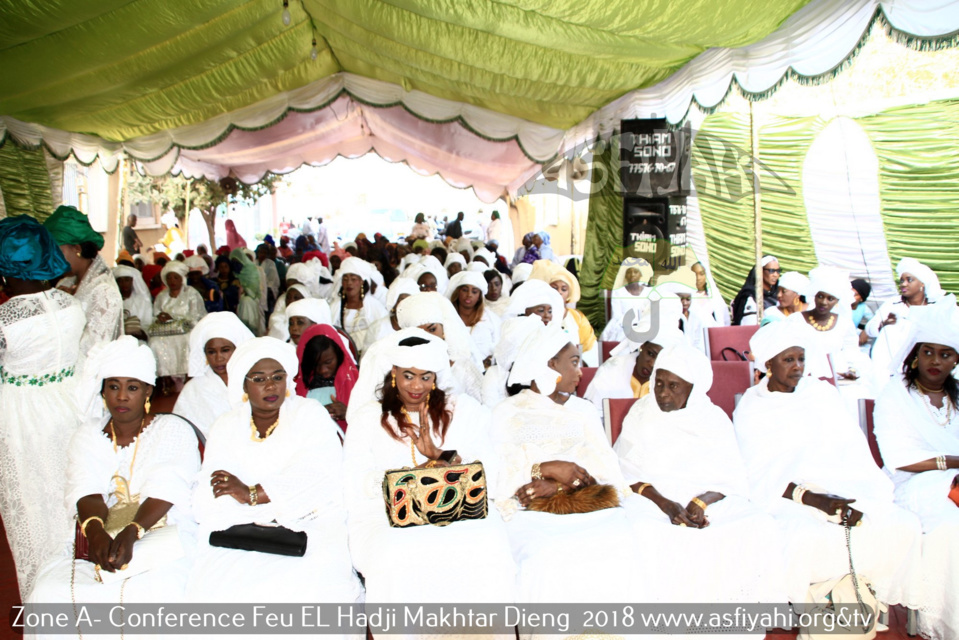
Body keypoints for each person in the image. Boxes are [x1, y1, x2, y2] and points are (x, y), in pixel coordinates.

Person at [733, 321, 923, 609]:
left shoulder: (821, 394)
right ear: (768, 363)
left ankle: (859, 597)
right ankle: (808, 603)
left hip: (843, 485)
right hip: (783, 496)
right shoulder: (753, 405)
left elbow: (852, 455)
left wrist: (844, 496)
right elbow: (755, 472)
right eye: (788, 360)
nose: (798, 367)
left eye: (801, 358)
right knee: (803, 536)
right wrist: (813, 498)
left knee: (901, 524)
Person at [342, 330, 516, 618]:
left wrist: (440, 456)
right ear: (394, 373)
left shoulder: (462, 410)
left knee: (488, 546)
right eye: (408, 375)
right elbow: (355, 479)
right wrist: (410, 478)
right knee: (393, 555)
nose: (416, 386)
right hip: (385, 513)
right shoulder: (368, 418)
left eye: (425, 377)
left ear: (436, 377)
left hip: (458, 508)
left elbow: (489, 468)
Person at [187, 338, 365, 617]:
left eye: (278, 377)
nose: (270, 386)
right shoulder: (226, 425)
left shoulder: (310, 414)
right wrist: (247, 505)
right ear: (243, 385)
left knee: (311, 588)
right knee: (216, 588)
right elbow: (215, 483)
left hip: (308, 521)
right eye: (259, 379)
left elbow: (318, 474)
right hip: (238, 527)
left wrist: (252, 494)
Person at [28, 337, 201, 612]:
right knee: (49, 593)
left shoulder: (172, 429)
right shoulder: (88, 434)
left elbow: (167, 489)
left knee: (158, 590)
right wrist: (96, 534)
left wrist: (132, 532)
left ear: (148, 391)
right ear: (103, 390)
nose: (121, 397)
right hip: (99, 531)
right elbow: (85, 488)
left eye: (132, 387)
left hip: (163, 528)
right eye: (113, 386)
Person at [615, 343, 785, 606]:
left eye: (674, 386)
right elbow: (625, 473)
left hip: (710, 499)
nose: (663, 393)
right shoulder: (641, 413)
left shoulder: (713, 418)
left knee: (758, 525)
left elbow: (732, 477)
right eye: (658, 383)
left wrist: (702, 501)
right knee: (643, 531)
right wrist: (667, 505)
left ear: (693, 388)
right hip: (653, 499)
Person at [491, 324, 640, 607]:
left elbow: (606, 467)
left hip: (590, 506)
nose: (580, 372)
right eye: (574, 363)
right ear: (550, 365)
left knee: (622, 542)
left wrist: (558, 485)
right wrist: (544, 468)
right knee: (547, 554)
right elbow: (500, 472)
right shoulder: (507, 411)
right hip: (530, 512)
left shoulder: (583, 410)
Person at [0, 216, 86, 599]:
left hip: (22, 420)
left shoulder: (6, 319)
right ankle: (79, 585)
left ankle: (44, 598)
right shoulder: (71, 305)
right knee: (71, 496)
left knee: (33, 506)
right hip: (68, 406)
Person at [874, 313, 959, 640]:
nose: (935, 361)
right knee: (951, 526)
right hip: (911, 483)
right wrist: (953, 461)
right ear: (915, 355)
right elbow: (897, 457)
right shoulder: (895, 393)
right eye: (928, 352)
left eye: (945, 354)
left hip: (952, 481)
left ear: (956, 361)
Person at [44, 205, 123, 367]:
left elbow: (93, 348)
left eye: (57, 252)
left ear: (77, 249)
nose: (53, 260)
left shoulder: (104, 291)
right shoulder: (65, 283)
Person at [173, 312, 254, 438]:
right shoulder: (194, 388)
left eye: (225, 350)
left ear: (237, 349)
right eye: (211, 352)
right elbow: (180, 429)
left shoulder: (254, 380)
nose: (218, 358)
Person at [395, 292, 485, 401]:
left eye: (432, 329)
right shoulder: (401, 367)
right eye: (419, 332)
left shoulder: (462, 367)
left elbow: (482, 405)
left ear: (443, 330)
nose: (428, 337)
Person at [866, 258, 946, 378]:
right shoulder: (892, 303)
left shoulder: (935, 307)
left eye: (909, 280)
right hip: (887, 365)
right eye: (902, 280)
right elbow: (869, 330)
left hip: (921, 364)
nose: (903, 284)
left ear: (922, 283)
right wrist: (883, 324)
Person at [528, 259, 597, 367]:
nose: (559, 292)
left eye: (563, 289)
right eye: (554, 288)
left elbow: (589, 348)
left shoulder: (577, 317)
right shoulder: (539, 315)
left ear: (569, 293)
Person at [295, 324, 358, 434]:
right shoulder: (295, 384)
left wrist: (349, 413)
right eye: (315, 364)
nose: (323, 370)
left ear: (339, 354)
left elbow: (372, 420)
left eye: (328, 362)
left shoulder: (358, 381)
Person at [150, 261, 207, 380]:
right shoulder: (162, 296)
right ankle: (165, 378)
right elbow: (155, 314)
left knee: (186, 340)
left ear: (182, 278)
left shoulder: (191, 293)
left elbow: (197, 316)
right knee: (154, 342)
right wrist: (160, 317)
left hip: (187, 329)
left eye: (176, 277)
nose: (172, 281)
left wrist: (174, 318)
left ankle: (188, 375)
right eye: (169, 278)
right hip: (165, 330)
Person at [330, 257, 389, 355]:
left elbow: (384, 331)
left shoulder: (374, 306)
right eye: (345, 279)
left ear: (362, 281)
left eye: (353, 279)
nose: (349, 283)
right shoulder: (335, 306)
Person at [447, 271, 501, 367]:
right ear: (458, 292)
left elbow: (499, 348)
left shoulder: (491, 319)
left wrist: (489, 362)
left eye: (474, 292)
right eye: (464, 290)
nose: (469, 295)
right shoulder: (447, 317)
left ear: (479, 296)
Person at [600, 265, 651, 342]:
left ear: (641, 275)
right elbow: (617, 316)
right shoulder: (618, 292)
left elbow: (653, 313)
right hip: (624, 325)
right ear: (625, 276)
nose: (632, 274)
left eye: (635, 272)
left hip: (646, 324)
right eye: (629, 272)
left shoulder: (649, 292)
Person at [366, 277, 420, 345]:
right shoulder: (377, 328)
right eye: (402, 300)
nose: (406, 304)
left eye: (410, 301)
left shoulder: (418, 328)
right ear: (394, 303)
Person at [730, 256, 780, 326]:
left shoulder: (779, 295)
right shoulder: (750, 297)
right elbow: (749, 326)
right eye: (771, 271)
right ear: (760, 271)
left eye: (778, 271)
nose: (775, 275)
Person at [113, 264, 153, 341]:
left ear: (132, 281)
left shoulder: (143, 301)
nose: (124, 283)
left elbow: (147, 324)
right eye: (120, 281)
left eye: (127, 280)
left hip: (138, 339)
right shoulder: (113, 301)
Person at [230, 248, 265, 336]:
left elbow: (254, 291)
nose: (236, 264)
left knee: (246, 302)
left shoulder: (252, 270)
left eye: (237, 261)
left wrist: (243, 290)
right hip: (239, 302)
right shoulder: (233, 273)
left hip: (252, 299)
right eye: (233, 261)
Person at [850, 278, 875, 347]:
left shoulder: (863, 308)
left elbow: (874, 321)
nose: (850, 296)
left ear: (861, 298)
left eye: (855, 294)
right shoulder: (837, 303)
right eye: (849, 292)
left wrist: (866, 331)